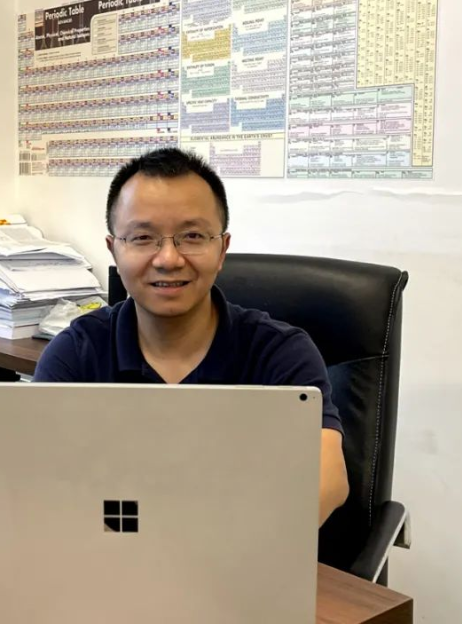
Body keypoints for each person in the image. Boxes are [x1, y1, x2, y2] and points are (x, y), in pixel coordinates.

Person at [34, 148, 348, 526]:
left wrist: (215, 543)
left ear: (222, 249)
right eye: (143, 237)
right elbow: (36, 481)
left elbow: (328, 480)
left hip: (242, 553)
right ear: (114, 249)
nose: (168, 259)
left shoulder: (279, 352)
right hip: (106, 550)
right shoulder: (76, 353)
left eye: (193, 236)